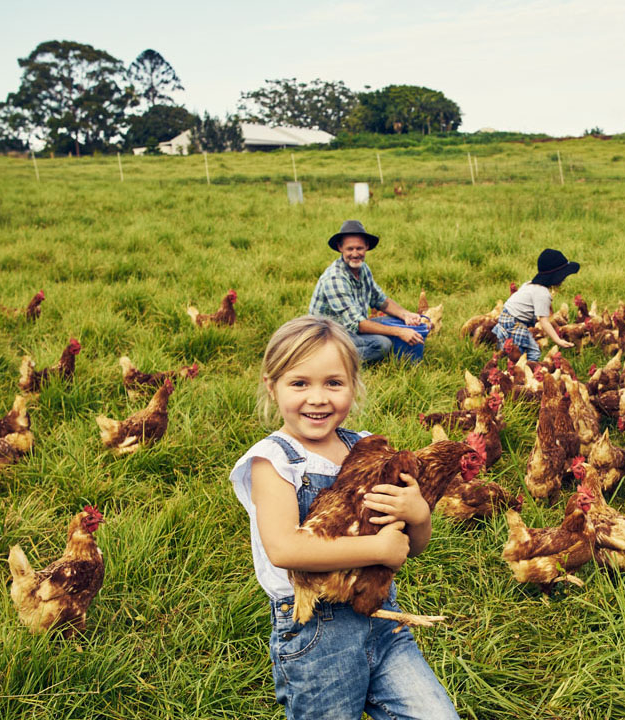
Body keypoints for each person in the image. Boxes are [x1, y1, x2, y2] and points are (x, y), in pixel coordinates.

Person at [229, 315, 459, 719]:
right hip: (318, 633)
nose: (317, 398)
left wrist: (418, 513)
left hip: (382, 618)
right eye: (299, 383)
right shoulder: (274, 461)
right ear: (272, 385)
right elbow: (285, 549)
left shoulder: (367, 448)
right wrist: (378, 547)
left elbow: (412, 547)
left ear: (354, 385)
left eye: (333, 383)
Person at [309, 219, 424, 364]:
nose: (355, 254)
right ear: (340, 248)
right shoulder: (335, 278)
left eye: (359, 248)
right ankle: (328, 359)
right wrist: (399, 332)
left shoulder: (363, 269)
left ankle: (390, 352)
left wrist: (406, 315)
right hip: (328, 336)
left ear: (367, 247)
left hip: (351, 328)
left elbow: (381, 301)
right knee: (382, 344)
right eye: (350, 249)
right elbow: (358, 324)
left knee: (397, 321)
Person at [493, 248, 581, 361]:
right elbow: (544, 321)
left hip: (505, 317)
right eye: (563, 275)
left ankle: (506, 354)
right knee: (533, 352)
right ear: (555, 276)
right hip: (514, 322)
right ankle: (522, 369)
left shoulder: (529, 284)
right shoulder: (543, 293)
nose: (563, 279)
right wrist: (558, 341)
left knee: (514, 346)